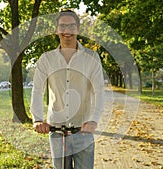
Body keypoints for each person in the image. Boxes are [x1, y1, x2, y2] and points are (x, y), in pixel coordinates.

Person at [30, 10, 104, 169]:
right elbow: (37, 90)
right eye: (62, 26)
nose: (67, 30)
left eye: (71, 26)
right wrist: (37, 119)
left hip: (83, 130)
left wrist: (94, 120)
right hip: (56, 131)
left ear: (78, 29)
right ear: (56, 30)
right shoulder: (46, 59)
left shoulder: (92, 57)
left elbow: (99, 91)